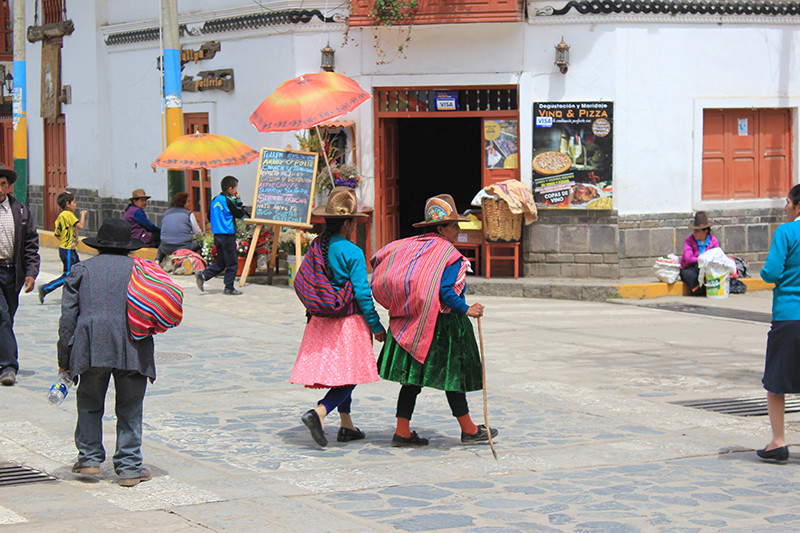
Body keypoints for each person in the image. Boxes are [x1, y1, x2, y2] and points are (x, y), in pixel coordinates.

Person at [371, 194, 498, 447]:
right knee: (454, 378)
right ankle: (470, 430)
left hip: (413, 320)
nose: (457, 230)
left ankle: (402, 431)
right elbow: (446, 291)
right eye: (453, 225)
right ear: (440, 228)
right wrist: (466, 309)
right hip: (443, 326)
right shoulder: (449, 254)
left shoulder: (414, 247)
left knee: (412, 380)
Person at [57, 218, 155, 486]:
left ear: (99, 245)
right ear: (128, 247)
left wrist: (64, 360)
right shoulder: (141, 270)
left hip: (91, 344)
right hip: (133, 344)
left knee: (89, 402)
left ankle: (89, 459)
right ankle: (129, 468)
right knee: (130, 407)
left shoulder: (81, 270)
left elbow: (67, 320)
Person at [290, 187, 386, 447]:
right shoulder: (352, 252)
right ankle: (319, 413)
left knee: (345, 373)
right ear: (346, 223)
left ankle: (347, 426)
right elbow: (363, 294)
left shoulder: (318, 245)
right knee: (352, 375)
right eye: (353, 221)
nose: (354, 225)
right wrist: (376, 326)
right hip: (348, 323)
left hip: (321, 320)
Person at [757, 184, 800, 462]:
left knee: (777, 382)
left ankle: (778, 441)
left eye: (787, 202)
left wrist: (764, 273)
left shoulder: (786, 232)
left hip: (789, 317)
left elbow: (772, 272)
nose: (784, 207)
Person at [0, 162, 39, 386]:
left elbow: (30, 245)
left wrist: (31, 273)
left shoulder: (20, 211)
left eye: (3, 184)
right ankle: (8, 367)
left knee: (8, 318)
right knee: (2, 315)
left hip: (12, 272)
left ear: (8, 186)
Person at [195, 176, 247, 296]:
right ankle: (229, 287)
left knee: (222, 262)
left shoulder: (214, 199)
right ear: (230, 189)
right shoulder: (229, 200)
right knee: (232, 263)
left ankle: (203, 275)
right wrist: (238, 200)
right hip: (227, 235)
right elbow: (239, 213)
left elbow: (209, 215)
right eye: (235, 189)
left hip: (217, 235)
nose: (235, 191)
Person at [38, 191, 87, 304]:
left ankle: (78, 295)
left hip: (66, 248)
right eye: (74, 202)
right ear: (67, 204)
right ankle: (46, 288)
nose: (75, 205)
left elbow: (56, 234)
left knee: (79, 271)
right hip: (68, 249)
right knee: (68, 274)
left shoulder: (60, 216)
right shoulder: (69, 215)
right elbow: (80, 226)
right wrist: (83, 215)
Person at [680, 211, 720, 295]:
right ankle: (698, 288)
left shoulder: (713, 241)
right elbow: (688, 259)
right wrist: (703, 259)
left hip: (707, 267)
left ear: (705, 232)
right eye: (694, 231)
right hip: (691, 268)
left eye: (698, 231)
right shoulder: (689, 240)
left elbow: (717, 256)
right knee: (688, 273)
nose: (695, 233)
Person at [156, 192, 202, 263]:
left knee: (163, 242)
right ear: (182, 202)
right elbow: (197, 232)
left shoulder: (166, 213)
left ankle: (157, 260)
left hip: (166, 249)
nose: (190, 204)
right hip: (183, 248)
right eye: (188, 202)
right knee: (201, 241)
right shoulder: (189, 214)